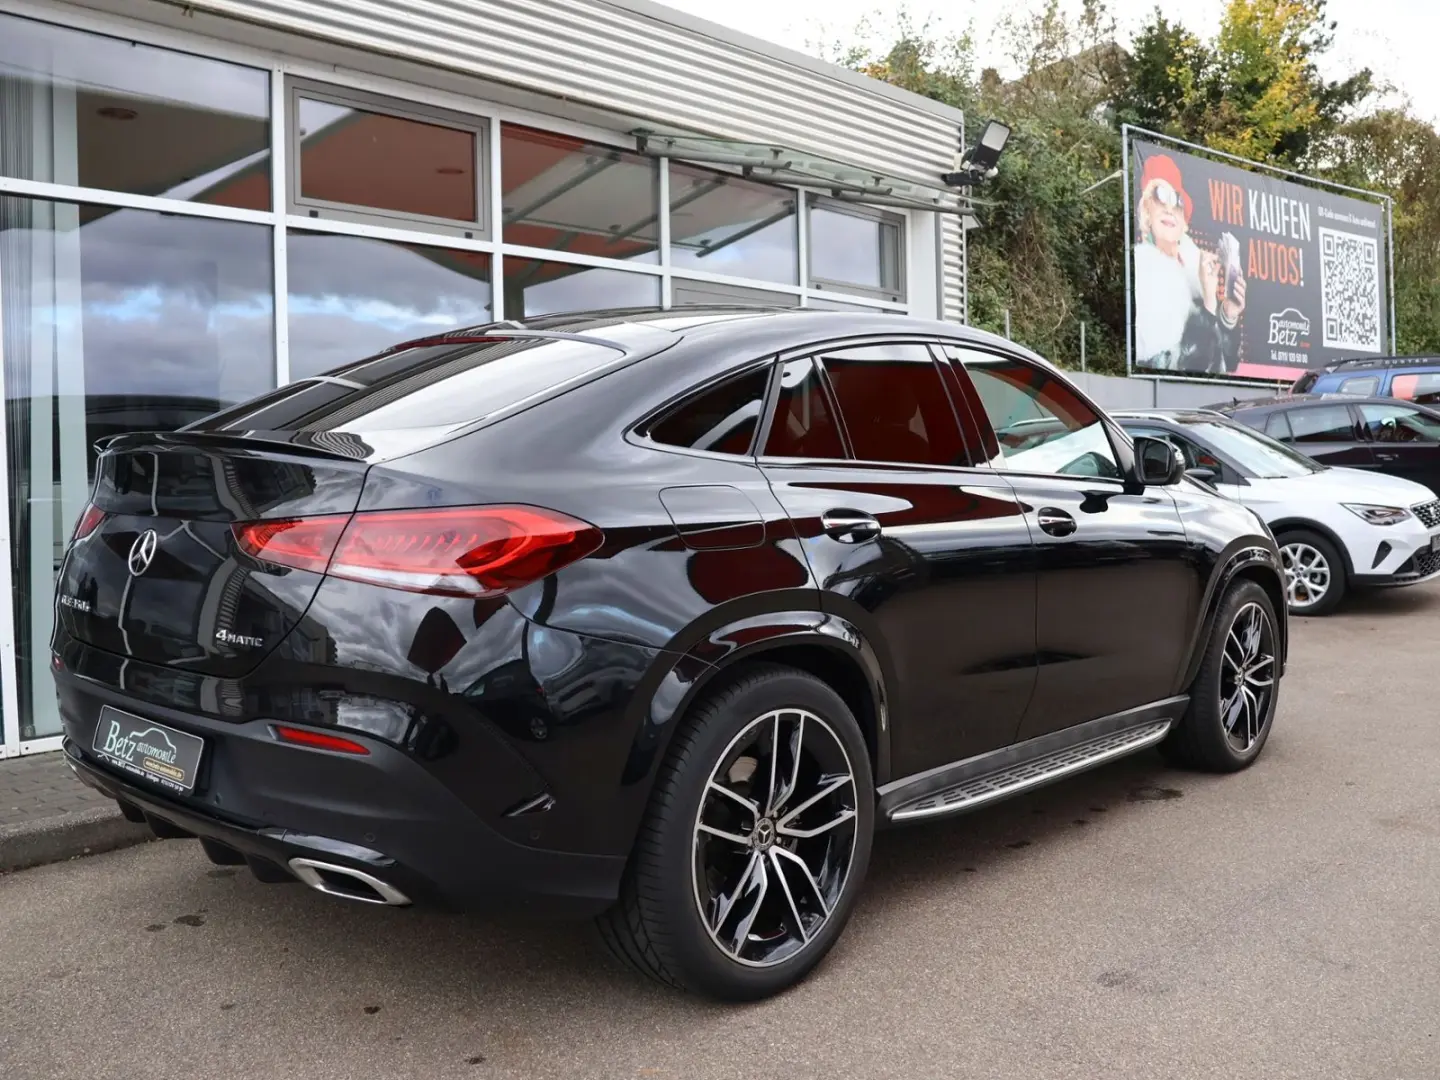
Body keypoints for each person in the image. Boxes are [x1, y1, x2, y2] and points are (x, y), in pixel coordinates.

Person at [1133, 154, 1247, 374]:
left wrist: (1229, 314)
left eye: (1177, 202)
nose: (1169, 209)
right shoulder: (1145, 269)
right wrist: (1208, 302)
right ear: (1147, 212)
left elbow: (1229, 363)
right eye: (1160, 197)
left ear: (1184, 221)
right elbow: (1187, 365)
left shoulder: (1196, 265)